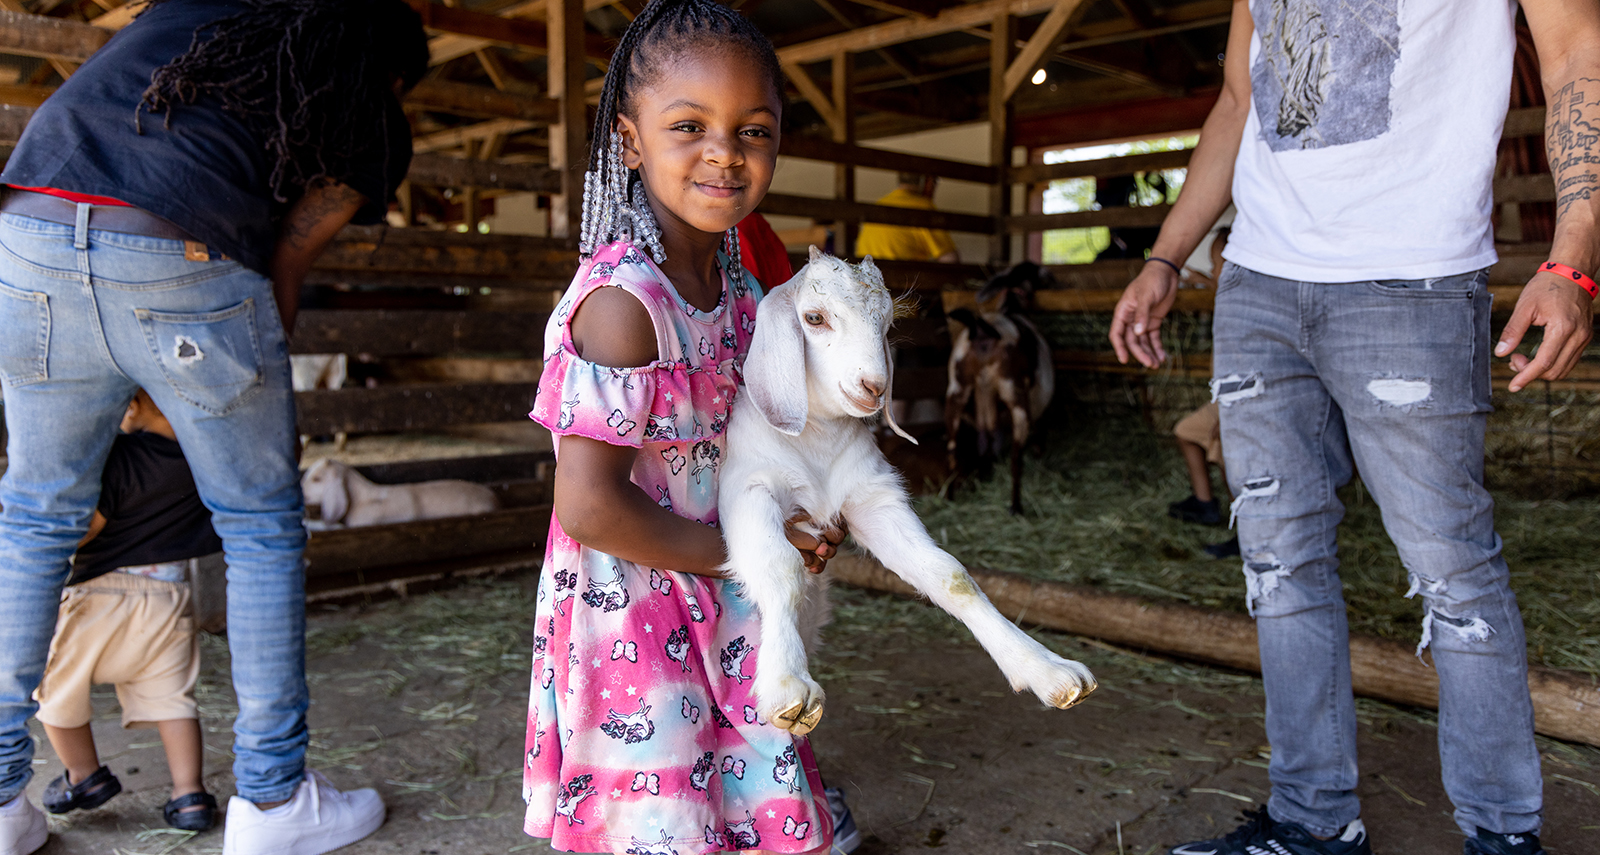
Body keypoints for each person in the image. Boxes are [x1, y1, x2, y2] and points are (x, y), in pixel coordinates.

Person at [1110, 2, 1600, 854]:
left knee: (1451, 567)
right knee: (1277, 560)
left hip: (1411, 280)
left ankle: (1501, 835)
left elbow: (1576, 55)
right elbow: (1236, 101)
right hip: (1259, 283)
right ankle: (1313, 819)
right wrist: (1165, 256)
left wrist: (1572, 258)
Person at [0, 2, 428, 854]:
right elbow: (286, 263)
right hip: (177, 248)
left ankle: (2, 799)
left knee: (34, 519)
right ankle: (271, 799)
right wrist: (241, 374)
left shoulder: (188, 15)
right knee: (262, 525)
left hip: (28, 226)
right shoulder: (359, 101)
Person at [522, 2, 850, 853]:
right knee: (663, 821)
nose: (725, 154)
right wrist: (753, 549)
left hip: (726, 588)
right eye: (688, 126)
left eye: (754, 131)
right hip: (633, 614)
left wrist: (809, 512)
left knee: (738, 807)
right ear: (630, 140)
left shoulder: (743, 291)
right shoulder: (627, 305)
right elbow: (590, 507)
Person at [33, 389, 223, 833]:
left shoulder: (117, 455)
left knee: (56, 688)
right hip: (169, 596)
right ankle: (189, 793)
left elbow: (85, 529)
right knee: (172, 698)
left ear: (132, 403)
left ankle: (84, 776)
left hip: (99, 597)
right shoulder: (207, 457)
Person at [854, 172, 959, 262]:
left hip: (867, 281)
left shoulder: (879, 204)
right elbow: (949, 258)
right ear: (927, 182)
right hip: (900, 281)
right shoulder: (923, 206)